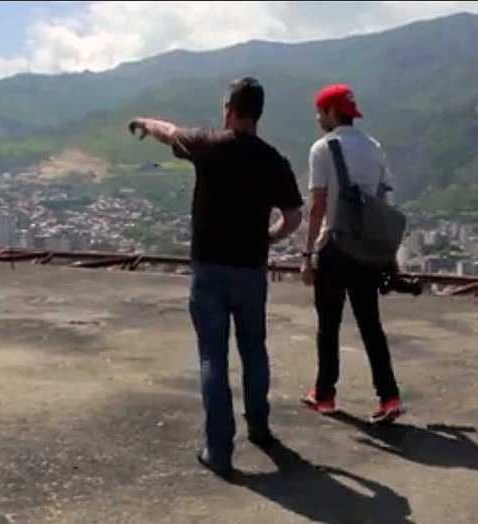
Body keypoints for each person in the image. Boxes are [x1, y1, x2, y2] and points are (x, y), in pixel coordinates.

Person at [129, 77, 303, 478]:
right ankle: (259, 428)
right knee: (254, 350)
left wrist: (142, 122)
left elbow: (168, 132)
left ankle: (219, 449)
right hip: (250, 271)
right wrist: (269, 237)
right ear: (258, 114)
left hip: (209, 270)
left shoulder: (208, 145)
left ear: (228, 109)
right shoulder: (273, 160)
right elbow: (293, 217)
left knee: (213, 357)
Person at [301, 83, 403, 424]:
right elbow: (385, 201)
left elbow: (317, 205)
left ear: (331, 113)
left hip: (333, 246)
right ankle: (388, 396)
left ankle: (325, 395)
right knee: (370, 324)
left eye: (320, 112)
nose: (318, 118)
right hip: (367, 248)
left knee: (328, 324)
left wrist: (306, 254)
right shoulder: (374, 148)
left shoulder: (323, 148)